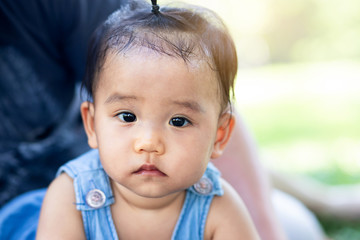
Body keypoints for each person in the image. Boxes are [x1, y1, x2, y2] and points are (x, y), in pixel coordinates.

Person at [36, 1, 260, 239]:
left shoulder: (219, 207)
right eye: (128, 117)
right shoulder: (70, 196)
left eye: (179, 121)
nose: (149, 142)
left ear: (219, 134)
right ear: (92, 125)